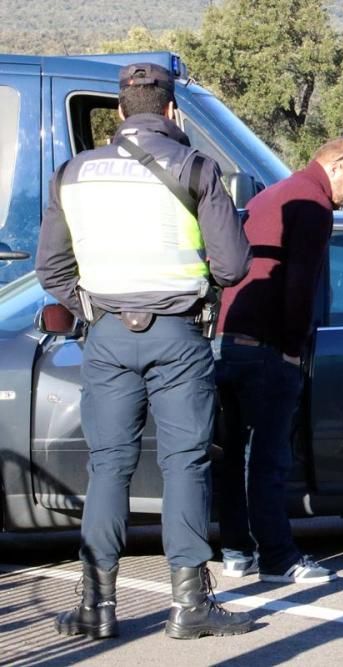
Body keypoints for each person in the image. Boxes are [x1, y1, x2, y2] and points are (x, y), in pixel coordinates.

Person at [35, 63, 253, 640]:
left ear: (120, 111)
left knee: (108, 466)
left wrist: (93, 310)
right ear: (172, 111)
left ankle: (95, 607)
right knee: (185, 463)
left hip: (106, 336)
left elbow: (50, 268)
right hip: (179, 334)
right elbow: (233, 266)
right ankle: (189, 607)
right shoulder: (195, 168)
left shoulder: (73, 173)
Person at [216, 137, 343, 584]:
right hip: (270, 343)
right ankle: (278, 558)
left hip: (231, 336)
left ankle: (236, 550)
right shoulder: (313, 202)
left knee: (234, 455)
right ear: (337, 166)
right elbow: (300, 283)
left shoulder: (274, 193)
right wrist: (291, 344)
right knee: (269, 458)